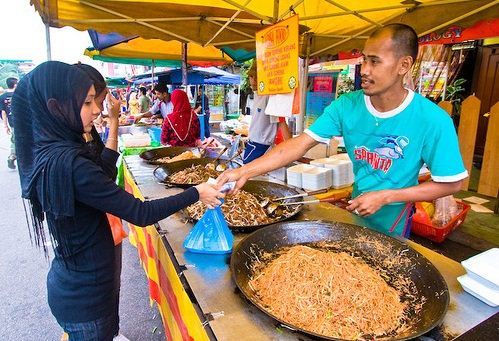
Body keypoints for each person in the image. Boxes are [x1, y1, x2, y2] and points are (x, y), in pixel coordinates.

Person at [12, 61, 224, 341]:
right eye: (88, 103)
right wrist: (196, 192)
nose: (98, 109)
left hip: (74, 284)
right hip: (86, 298)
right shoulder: (72, 164)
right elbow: (140, 212)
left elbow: (103, 173)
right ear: (56, 107)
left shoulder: (51, 154)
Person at [218, 24, 467, 236]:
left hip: (394, 220)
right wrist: (244, 171)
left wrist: (385, 196)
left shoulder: (432, 119)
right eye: (364, 59)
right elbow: (299, 145)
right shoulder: (347, 105)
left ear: (404, 65)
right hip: (355, 211)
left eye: (375, 61)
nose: (365, 70)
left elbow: (451, 184)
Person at [242, 62, 290, 164]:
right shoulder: (256, 94)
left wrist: (292, 149)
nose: (254, 80)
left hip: (262, 147)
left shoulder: (271, 97)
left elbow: (282, 122)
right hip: (252, 143)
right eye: (251, 76)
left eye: (257, 77)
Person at [0, 77, 18, 169]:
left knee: (15, 140)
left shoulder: (2, 97)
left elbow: (3, 112)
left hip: (13, 123)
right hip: (24, 123)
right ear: (15, 85)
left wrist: (5, 125)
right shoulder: (20, 94)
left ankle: (13, 156)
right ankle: (12, 157)